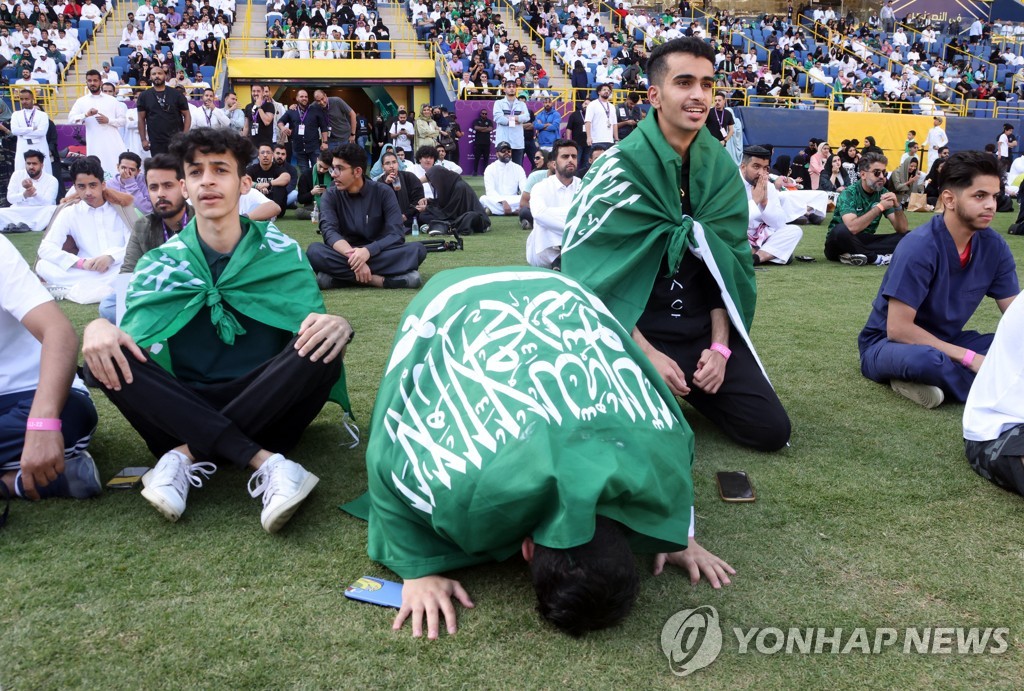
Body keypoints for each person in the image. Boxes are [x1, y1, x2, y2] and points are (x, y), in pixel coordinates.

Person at [348, 266, 734, 639]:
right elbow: (386, 457)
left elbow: (388, 458)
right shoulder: (461, 482)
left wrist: (674, 529)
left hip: (557, 291)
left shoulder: (663, 457)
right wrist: (417, 569)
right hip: (461, 301)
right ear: (527, 550)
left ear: (528, 549)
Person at [80, 127, 353, 532]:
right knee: (104, 356)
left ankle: (184, 457)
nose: (207, 180)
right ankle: (265, 462)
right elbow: (133, 339)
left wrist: (339, 323)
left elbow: (309, 326)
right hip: (182, 408)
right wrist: (98, 327)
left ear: (244, 183)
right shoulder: (159, 263)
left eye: (220, 170)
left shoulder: (281, 252)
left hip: (271, 408)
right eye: (196, 172)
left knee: (325, 344)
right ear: (186, 187)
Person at [561, 37, 791, 452]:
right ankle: (650, 390)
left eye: (706, 84)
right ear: (655, 95)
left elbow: (726, 269)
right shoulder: (617, 169)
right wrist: (646, 353)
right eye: (684, 82)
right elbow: (587, 276)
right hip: (632, 334)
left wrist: (720, 349)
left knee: (770, 431)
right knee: (641, 442)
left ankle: (684, 390)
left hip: (701, 333)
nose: (698, 95)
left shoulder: (720, 169)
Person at [859, 151, 1018, 409]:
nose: (991, 205)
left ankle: (931, 383)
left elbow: (1015, 314)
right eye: (980, 196)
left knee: (1012, 348)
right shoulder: (920, 246)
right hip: (889, 345)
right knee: (927, 361)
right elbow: (898, 329)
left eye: (994, 196)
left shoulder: (994, 246)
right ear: (949, 199)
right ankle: (997, 387)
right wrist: (969, 358)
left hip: (947, 341)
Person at [0, 232, 100, 504]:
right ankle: (13, 483)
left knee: (68, 420)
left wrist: (41, 423)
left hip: (37, 394)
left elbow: (59, 333)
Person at [306, 143, 427, 290]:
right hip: (344, 253)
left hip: (378, 252)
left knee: (417, 250)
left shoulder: (383, 192)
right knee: (314, 251)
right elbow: (329, 231)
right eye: (333, 168)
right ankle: (380, 281)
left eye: (340, 169)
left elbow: (396, 234)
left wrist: (367, 251)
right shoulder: (330, 195)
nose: (333, 174)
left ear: (357, 171)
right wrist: (355, 258)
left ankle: (339, 279)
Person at [97, 154, 190, 322]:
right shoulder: (143, 226)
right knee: (108, 306)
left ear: (184, 188)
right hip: (156, 291)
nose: (160, 194)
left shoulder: (201, 221)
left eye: (168, 186)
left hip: (194, 291)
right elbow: (128, 271)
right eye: (153, 188)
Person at [35, 157, 135, 302]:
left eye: (93, 185)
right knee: (42, 265)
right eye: (81, 186)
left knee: (133, 270)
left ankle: (70, 290)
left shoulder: (120, 209)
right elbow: (46, 248)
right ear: (75, 188)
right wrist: (81, 263)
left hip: (116, 267)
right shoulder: (69, 212)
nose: (88, 192)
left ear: (103, 185)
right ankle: (105, 290)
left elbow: (133, 246)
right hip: (84, 269)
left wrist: (110, 257)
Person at [824, 152, 909, 266]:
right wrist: (880, 207)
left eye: (884, 173)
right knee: (840, 231)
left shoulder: (884, 193)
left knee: (909, 237)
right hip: (840, 243)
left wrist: (897, 205)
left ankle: (856, 255)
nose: (881, 177)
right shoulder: (849, 193)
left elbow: (902, 229)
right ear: (863, 174)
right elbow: (852, 228)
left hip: (865, 241)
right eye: (877, 173)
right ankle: (876, 258)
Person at [740, 146, 803, 265]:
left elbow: (779, 223)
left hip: (762, 236)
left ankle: (757, 257)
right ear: (743, 167)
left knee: (794, 231)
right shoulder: (730, 183)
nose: (761, 173)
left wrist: (764, 202)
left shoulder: (768, 186)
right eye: (756, 167)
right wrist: (755, 201)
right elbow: (732, 222)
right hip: (739, 235)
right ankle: (772, 254)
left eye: (765, 168)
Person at [526, 139, 579, 268]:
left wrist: (554, 216)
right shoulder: (541, 187)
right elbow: (539, 214)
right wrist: (573, 222)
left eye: (574, 156)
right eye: (565, 156)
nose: (571, 160)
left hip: (575, 243)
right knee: (542, 223)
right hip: (543, 253)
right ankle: (557, 259)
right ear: (554, 164)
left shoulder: (584, 186)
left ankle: (560, 261)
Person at [68, 70, 127, 174]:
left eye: (95, 80)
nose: (92, 83)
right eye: (89, 81)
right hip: (94, 142)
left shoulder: (112, 100)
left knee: (116, 169)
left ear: (100, 82)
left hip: (113, 142)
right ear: (86, 83)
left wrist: (108, 120)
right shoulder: (81, 101)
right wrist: (85, 115)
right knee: (97, 172)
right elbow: (71, 119)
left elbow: (122, 121)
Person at [136, 64, 191, 156]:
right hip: (156, 141)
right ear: (150, 77)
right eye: (154, 74)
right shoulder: (144, 96)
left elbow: (187, 115)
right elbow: (141, 119)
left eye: (159, 73)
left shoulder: (177, 94)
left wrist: (184, 137)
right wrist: (143, 139)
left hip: (176, 140)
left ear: (165, 76)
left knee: (178, 168)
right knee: (159, 168)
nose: (157, 76)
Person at [0, 150, 59, 231]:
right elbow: (10, 199)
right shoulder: (17, 175)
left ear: (41, 165)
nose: (31, 167)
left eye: (34, 164)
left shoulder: (52, 180)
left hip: (40, 213)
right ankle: (24, 226)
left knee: (52, 210)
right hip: (19, 211)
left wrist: (34, 192)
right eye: (28, 163)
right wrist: (24, 195)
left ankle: (18, 226)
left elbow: (48, 202)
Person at [279, 90, 329, 175]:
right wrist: (282, 128)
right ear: (297, 98)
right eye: (301, 96)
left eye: (306, 97)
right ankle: (307, 188)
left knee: (318, 170)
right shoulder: (292, 111)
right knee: (304, 173)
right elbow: (280, 121)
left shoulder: (316, 109)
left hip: (314, 147)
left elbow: (323, 127)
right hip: (299, 149)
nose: (304, 98)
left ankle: (319, 187)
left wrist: (325, 142)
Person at [377, 148, 425, 228]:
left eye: (394, 162)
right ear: (383, 167)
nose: (392, 166)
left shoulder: (409, 177)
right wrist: (387, 185)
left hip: (410, 217)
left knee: (425, 214)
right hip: (389, 218)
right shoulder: (380, 183)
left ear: (398, 163)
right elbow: (379, 204)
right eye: (388, 163)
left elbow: (418, 199)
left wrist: (405, 215)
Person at [10, 89, 51, 176]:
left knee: (43, 172)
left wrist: (23, 133)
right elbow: (14, 131)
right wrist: (32, 128)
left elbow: (42, 132)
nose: (24, 101)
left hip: (39, 146)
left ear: (32, 99)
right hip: (23, 147)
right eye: (22, 99)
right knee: (21, 172)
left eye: (27, 99)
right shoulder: (16, 114)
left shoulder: (42, 115)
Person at [480, 141, 527, 216]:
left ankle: (493, 211)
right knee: (483, 199)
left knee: (529, 199)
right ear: (497, 154)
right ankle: (516, 211)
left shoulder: (518, 168)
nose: (506, 153)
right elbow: (490, 191)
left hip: (514, 199)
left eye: (509, 151)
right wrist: (502, 201)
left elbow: (524, 188)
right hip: (497, 200)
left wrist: (524, 201)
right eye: (503, 151)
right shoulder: (490, 168)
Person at [246, 144, 291, 218]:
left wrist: (268, 184)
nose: (265, 155)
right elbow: (243, 179)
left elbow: (286, 177)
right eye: (262, 152)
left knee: (279, 187)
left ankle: (272, 214)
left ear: (272, 155)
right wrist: (257, 185)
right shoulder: (252, 169)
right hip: (257, 205)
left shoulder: (278, 168)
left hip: (276, 206)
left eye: (268, 152)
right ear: (258, 155)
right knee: (247, 187)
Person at [492, 80, 530, 166]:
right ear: (504, 89)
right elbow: (499, 118)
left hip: (517, 142)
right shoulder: (499, 103)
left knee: (517, 168)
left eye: (513, 87)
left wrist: (510, 118)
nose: (512, 88)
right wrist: (517, 119)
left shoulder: (522, 104)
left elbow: (527, 117)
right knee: (502, 169)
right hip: (503, 141)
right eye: (509, 87)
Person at [585, 83, 618, 151]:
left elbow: (614, 124)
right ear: (599, 92)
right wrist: (588, 137)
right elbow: (588, 121)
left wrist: (616, 139)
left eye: (608, 90)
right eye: (604, 90)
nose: (607, 91)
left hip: (610, 140)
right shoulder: (592, 104)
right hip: (596, 140)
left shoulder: (612, 106)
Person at [242, 85, 276, 151]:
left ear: (263, 93)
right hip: (252, 146)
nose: (255, 93)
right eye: (253, 91)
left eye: (258, 91)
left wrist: (259, 107)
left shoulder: (269, 105)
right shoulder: (248, 107)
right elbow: (246, 127)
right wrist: (243, 140)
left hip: (266, 146)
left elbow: (267, 122)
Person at [471, 108, 493, 176]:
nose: (484, 115)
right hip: (478, 143)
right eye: (483, 113)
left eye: (485, 114)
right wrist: (485, 128)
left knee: (486, 159)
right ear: (480, 114)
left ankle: (485, 172)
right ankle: (475, 172)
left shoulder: (489, 121)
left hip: (486, 143)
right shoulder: (476, 120)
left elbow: (490, 129)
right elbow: (476, 128)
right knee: (477, 158)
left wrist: (481, 129)